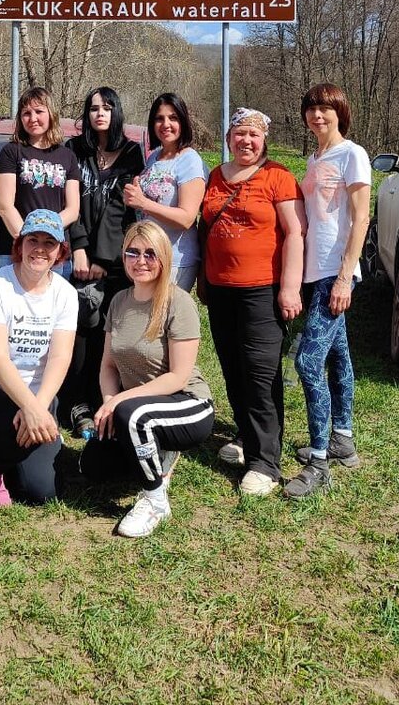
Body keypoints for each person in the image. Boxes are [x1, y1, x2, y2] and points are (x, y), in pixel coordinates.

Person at [80, 221, 215, 538]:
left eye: (150, 253)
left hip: (188, 403)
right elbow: (108, 366)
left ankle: (155, 500)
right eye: (133, 252)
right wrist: (109, 403)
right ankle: (157, 451)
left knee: (132, 416)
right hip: (139, 407)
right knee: (93, 465)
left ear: (164, 257)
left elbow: (178, 377)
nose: (141, 261)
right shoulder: (119, 301)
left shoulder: (178, 302)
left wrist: (120, 402)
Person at [200, 107, 305, 496]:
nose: (246, 140)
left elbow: (295, 233)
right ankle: (246, 436)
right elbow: (204, 229)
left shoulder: (278, 176)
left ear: (264, 140)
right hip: (220, 290)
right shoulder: (216, 175)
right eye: (239, 133)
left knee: (260, 375)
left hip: (262, 290)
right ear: (229, 138)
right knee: (233, 369)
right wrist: (203, 278)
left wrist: (289, 288)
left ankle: (265, 463)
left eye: (253, 135)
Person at [283, 84, 371, 499]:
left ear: (341, 112)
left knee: (307, 362)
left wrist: (344, 277)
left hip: (336, 272)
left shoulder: (352, 154)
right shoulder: (314, 158)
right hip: (314, 270)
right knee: (339, 357)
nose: (317, 115)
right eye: (312, 108)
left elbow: (361, 217)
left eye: (325, 108)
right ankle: (342, 439)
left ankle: (318, 463)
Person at [0, 210, 77, 506]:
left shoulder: (65, 293)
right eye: (32, 240)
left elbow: (60, 357)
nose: (40, 249)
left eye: (49, 243)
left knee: (42, 491)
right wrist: (30, 408)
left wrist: (39, 406)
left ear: (60, 251)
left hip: (37, 391)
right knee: (13, 426)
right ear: (19, 244)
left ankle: (8, 452)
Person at [63, 86, 145, 438]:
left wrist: (101, 256)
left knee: (109, 329)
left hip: (117, 257)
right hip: (79, 255)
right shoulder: (73, 149)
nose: (100, 113)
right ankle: (77, 402)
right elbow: (71, 202)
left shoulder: (131, 152)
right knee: (81, 327)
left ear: (116, 112)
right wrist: (80, 248)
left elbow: (119, 208)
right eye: (94, 107)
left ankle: (105, 400)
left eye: (107, 107)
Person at [123, 93, 207, 291]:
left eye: (173, 118)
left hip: (174, 259)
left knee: (165, 311)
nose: (165, 124)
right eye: (159, 119)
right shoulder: (153, 157)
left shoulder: (189, 160)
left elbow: (186, 218)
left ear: (183, 122)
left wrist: (143, 203)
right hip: (148, 256)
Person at [0, 87, 80, 274]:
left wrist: (46, 235)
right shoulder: (11, 152)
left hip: (55, 253)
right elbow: (5, 206)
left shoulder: (68, 156)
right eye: (26, 113)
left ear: (51, 114)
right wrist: (28, 241)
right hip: (15, 251)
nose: (32, 118)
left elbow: (72, 210)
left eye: (39, 111)